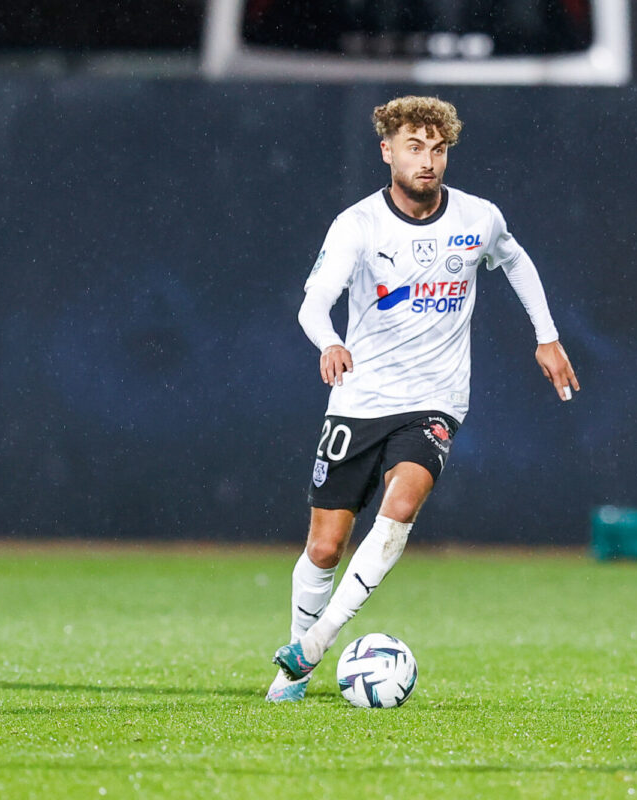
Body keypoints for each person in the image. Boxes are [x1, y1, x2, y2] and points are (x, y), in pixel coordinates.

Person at [266, 95, 580, 702]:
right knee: (325, 545)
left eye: (438, 149)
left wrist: (547, 337)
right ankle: (293, 663)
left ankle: (316, 644)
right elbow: (313, 303)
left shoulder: (477, 217)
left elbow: (516, 261)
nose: (428, 160)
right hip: (359, 398)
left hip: (435, 400)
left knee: (402, 504)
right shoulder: (357, 224)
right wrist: (329, 342)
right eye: (414, 147)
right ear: (388, 152)